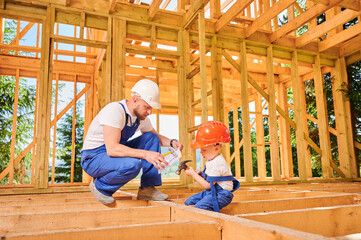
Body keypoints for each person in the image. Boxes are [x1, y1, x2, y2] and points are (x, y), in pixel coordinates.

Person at [81, 79, 183, 205]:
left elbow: (156, 137)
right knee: (132, 165)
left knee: (151, 137)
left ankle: (147, 189)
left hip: (113, 152)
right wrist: (146, 154)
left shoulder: (140, 118)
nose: (150, 112)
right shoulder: (114, 110)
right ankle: (100, 186)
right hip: (93, 158)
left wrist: (172, 142)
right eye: (147, 107)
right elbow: (112, 148)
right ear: (135, 100)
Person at [184, 121, 239, 212]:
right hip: (212, 192)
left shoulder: (218, 163)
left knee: (199, 208)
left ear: (216, 148)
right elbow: (212, 177)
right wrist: (201, 173)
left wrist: (193, 174)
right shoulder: (212, 160)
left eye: (204, 150)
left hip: (222, 194)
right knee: (188, 202)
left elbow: (207, 185)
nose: (201, 152)